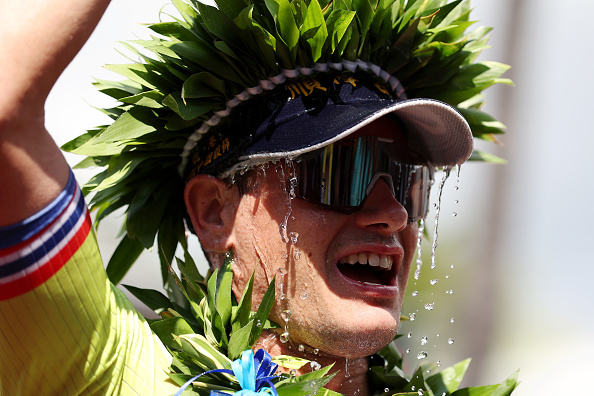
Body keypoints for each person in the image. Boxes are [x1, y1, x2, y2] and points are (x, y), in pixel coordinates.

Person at [0, 0, 513, 395]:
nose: (392, 213)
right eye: (339, 173)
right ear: (215, 212)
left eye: (405, 181)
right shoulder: (118, 373)